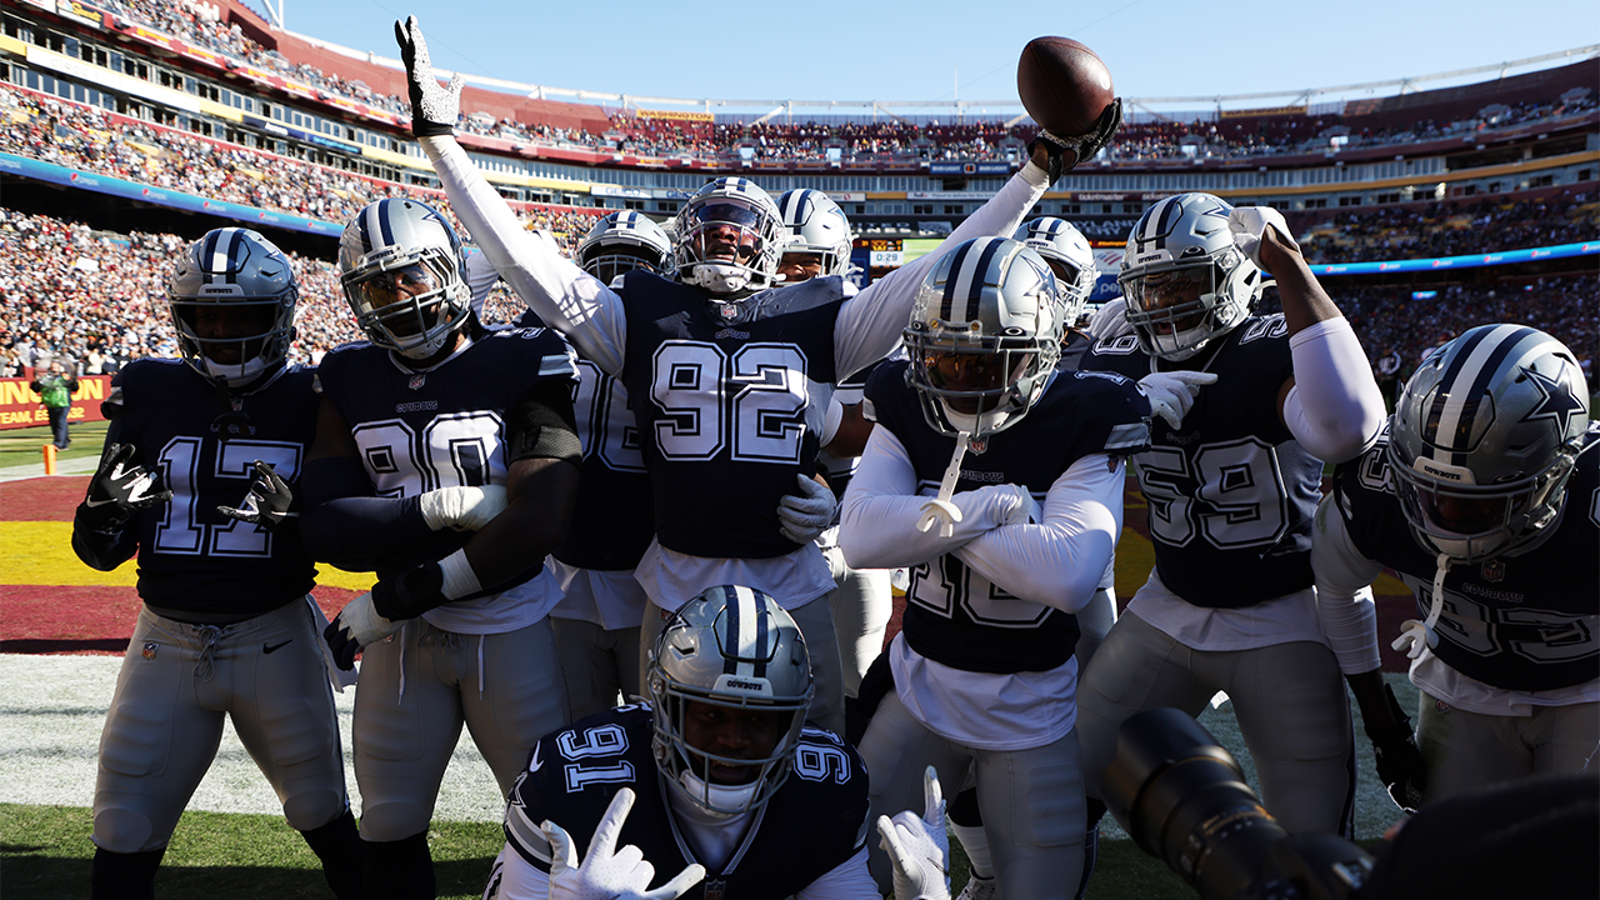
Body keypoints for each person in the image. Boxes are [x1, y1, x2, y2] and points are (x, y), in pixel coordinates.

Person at [393, 14, 1096, 737]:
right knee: (674, 748)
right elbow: (522, 261)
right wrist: (444, 147)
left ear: (770, 245)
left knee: (813, 744)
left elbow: (941, 263)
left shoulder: (827, 317)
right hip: (673, 581)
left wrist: (1032, 177)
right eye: (713, 221)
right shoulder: (641, 316)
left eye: (741, 224)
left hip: (791, 579)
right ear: (684, 237)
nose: (725, 234)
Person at [1074, 194, 1389, 858]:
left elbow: (1348, 427)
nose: (1162, 302)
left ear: (1238, 275)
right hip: (1167, 605)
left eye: (1182, 282)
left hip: (1282, 618)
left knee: (1310, 845)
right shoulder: (1120, 349)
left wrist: (1292, 266)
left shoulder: (1268, 347)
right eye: (1149, 286)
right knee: (1067, 764)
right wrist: (1118, 399)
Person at [840, 236, 1153, 898]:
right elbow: (863, 539)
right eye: (944, 357)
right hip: (919, 687)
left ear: (1039, 354)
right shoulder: (902, 397)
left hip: (1034, 707)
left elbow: (1069, 574)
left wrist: (925, 519)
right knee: (850, 873)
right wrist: (991, 507)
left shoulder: (1082, 413)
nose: (958, 377)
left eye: (986, 361)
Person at [300, 197, 582, 899]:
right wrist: (446, 512)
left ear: (452, 270)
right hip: (401, 639)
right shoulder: (348, 372)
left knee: (551, 822)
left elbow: (542, 516)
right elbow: (332, 523)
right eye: (377, 285)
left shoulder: (523, 355)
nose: (399, 299)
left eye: (412, 276)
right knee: (388, 822)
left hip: (506, 625)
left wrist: (400, 590)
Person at [70, 227, 361, 900]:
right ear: (181, 316)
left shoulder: (317, 396)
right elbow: (99, 551)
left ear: (281, 316)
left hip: (276, 636)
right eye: (207, 314)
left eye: (242, 315)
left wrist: (301, 517)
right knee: (121, 827)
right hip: (164, 642)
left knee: (321, 811)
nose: (224, 330)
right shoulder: (147, 389)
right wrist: (106, 511)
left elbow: (347, 541)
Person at [486, 584, 951, 900]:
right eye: (709, 714)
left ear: (793, 722)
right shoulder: (572, 780)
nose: (732, 738)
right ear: (663, 704)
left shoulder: (825, 786)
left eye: (760, 719)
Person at [1313, 324, 1595, 809]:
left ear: (1555, 476)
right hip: (1461, 685)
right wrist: (1384, 727)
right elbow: (1337, 590)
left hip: (1588, 689)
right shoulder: (1376, 494)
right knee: (1458, 855)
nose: (1444, 515)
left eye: (1478, 504)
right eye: (1429, 491)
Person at [526, 210, 673, 720]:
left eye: (635, 268)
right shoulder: (543, 335)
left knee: (661, 737)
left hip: (651, 579)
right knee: (572, 737)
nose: (616, 281)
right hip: (564, 576)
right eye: (605, 265)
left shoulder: (680, 344)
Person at [773, 187, 894, 704]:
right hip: (789, 535)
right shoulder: (750, 328)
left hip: (859, 527)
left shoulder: (870, 326)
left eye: (807, 263)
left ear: (835, 261)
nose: (791, 276)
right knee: (777, 672)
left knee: (858, 673)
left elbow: (897, 427)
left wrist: (829, 424)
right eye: (782, 261)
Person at [31, 359, 78, 449]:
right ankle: (64, 441)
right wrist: (35, 382)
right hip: (51, 403)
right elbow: (36, 388)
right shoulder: (45, 378)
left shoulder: (64, 377)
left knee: (60, 422)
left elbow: (75, 388)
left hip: (63, 402)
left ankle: (58, 443)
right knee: (55, 424)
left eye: (56, 368)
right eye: (52, 368)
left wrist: (72, 380)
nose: (54, 370)